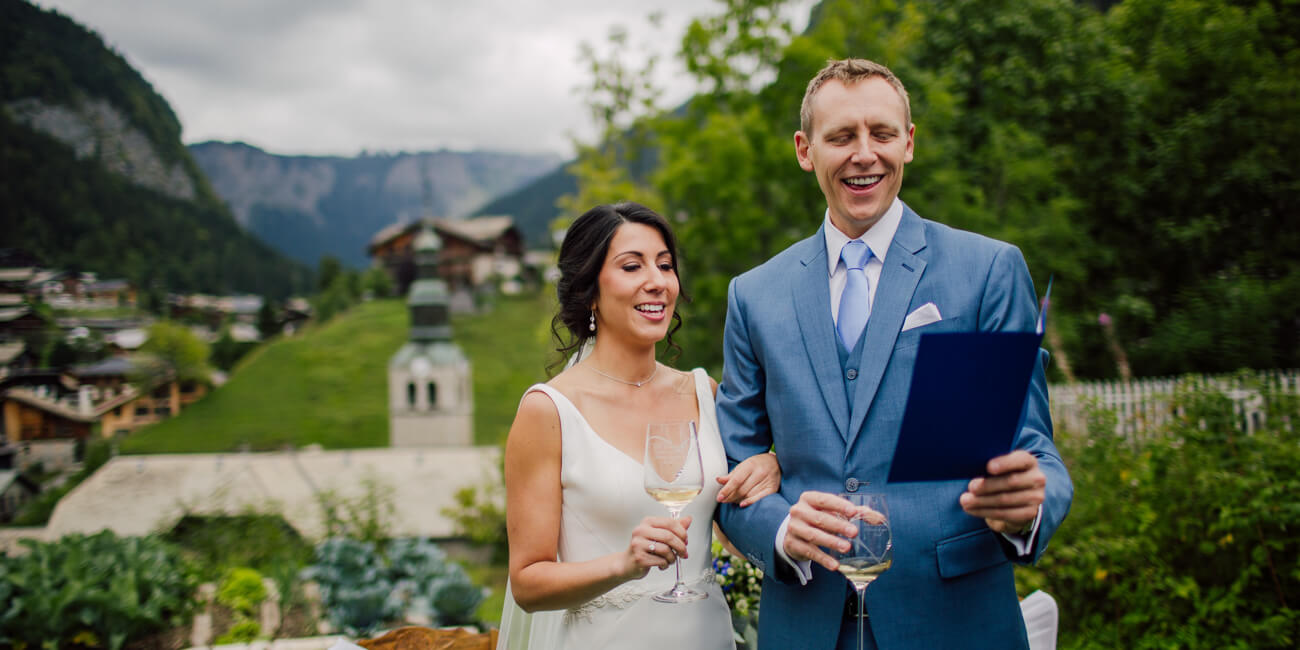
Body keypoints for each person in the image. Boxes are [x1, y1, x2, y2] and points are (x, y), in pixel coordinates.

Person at [714, 58, 1073, 649]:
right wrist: (781, 531)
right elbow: (732, 470)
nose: (864, 154)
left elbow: (1034, 449)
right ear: (806, 150)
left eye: (881, 134)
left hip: (956, 621)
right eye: (841, 137)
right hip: (805, 625)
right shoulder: (754, 295)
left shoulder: (986, 270)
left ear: (908, 144)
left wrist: (1026, 509)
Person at [498, 202, 781, 649]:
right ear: (590, 290)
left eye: (665, 265)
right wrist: (624, 564)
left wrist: (769, 467)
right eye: (632, 266)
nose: (658, 281)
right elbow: (528, 584)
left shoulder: (704, 393)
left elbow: (726, 523)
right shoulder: (548, 412)